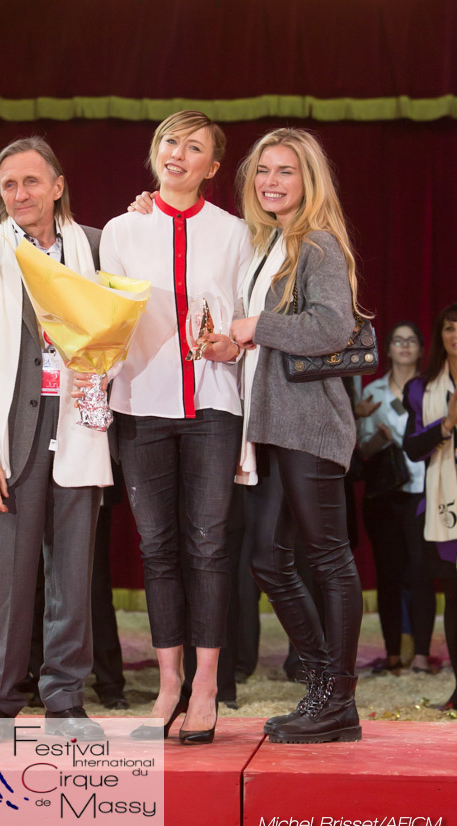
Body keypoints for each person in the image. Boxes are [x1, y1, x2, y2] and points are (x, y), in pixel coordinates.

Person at [0, 137, 112, 742]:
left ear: (58, 186)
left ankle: (65, 701)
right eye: (9, 184)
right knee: (8, 573)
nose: (20, 194)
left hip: (79, 420)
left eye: (32, 181)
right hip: (11, 433)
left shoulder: (97, 247)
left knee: (73, 571)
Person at [99, 110, 252, 744]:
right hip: (142, 404)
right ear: (154, 152)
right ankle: (168, 685)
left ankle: (207, 687)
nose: (178, 154)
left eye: (194, 147)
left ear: (212, 166)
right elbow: (107, 318)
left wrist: (232, 346)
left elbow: (247, 320)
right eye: (170, 142)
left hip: (214, 404)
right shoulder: (121, 230)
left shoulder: (236, 233)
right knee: (158, 548)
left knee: (209, 546)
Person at [230, 128, 364, 744]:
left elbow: (333, 327)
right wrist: (236, 339)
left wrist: (256, 325)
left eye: (286, 170)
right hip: (273, 426)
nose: (271, 181)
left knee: (329, 558)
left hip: (310, 423)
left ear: (309, 181)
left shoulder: (317, 243)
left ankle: (338, 699)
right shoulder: (269, 244)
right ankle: (323, 684)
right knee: (266, 559)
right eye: (264, 170)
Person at [358, 322, 436, 675]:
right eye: (397, 341)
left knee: (420, 571)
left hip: (424, 490)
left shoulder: (431, 388)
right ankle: (392, 655)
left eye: (411, 340)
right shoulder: (371, 392)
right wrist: (381, 438)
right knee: (388, 573)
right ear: (387, 349)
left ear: (421, 348)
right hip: (385, 493)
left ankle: (421, 655)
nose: (404, 346)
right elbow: (362, 450)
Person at [403, 303, 457, 712]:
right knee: (454, 597)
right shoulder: (422, 389)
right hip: (444, 506)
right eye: (449, 328)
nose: (456, 336)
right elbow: (412, 448)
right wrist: (446, 424)